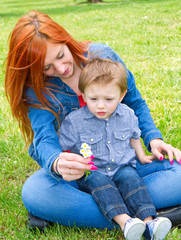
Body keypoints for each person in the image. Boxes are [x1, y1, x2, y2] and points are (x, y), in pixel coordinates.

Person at [4, 10, 181, 232]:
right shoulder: (37, 89)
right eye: (47, 67)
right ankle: (145, 218)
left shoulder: (103, 56)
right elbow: (44, 138)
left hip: (122, 163)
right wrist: (58, 162)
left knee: (178, 173)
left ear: (65, 39)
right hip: (81, 175)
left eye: (60, 55)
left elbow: (135, 102)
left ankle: (96, 212)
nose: (61, 69)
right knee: (36, 192)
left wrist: (153, 139)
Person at [59, 58, 172, 240]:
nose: (101, 105)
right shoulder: (75, 122)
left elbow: (134, 136)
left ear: (121, 95)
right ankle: (125, 222)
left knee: (132, 180)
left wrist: (141, 156)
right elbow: (63, 147)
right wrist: (72, 163)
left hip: (121, 166)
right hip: (93, 171)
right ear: (84, 94)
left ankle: (149, 222)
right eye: (93, 99)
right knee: (101, 184)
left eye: (108, 99)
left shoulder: (127, 114)